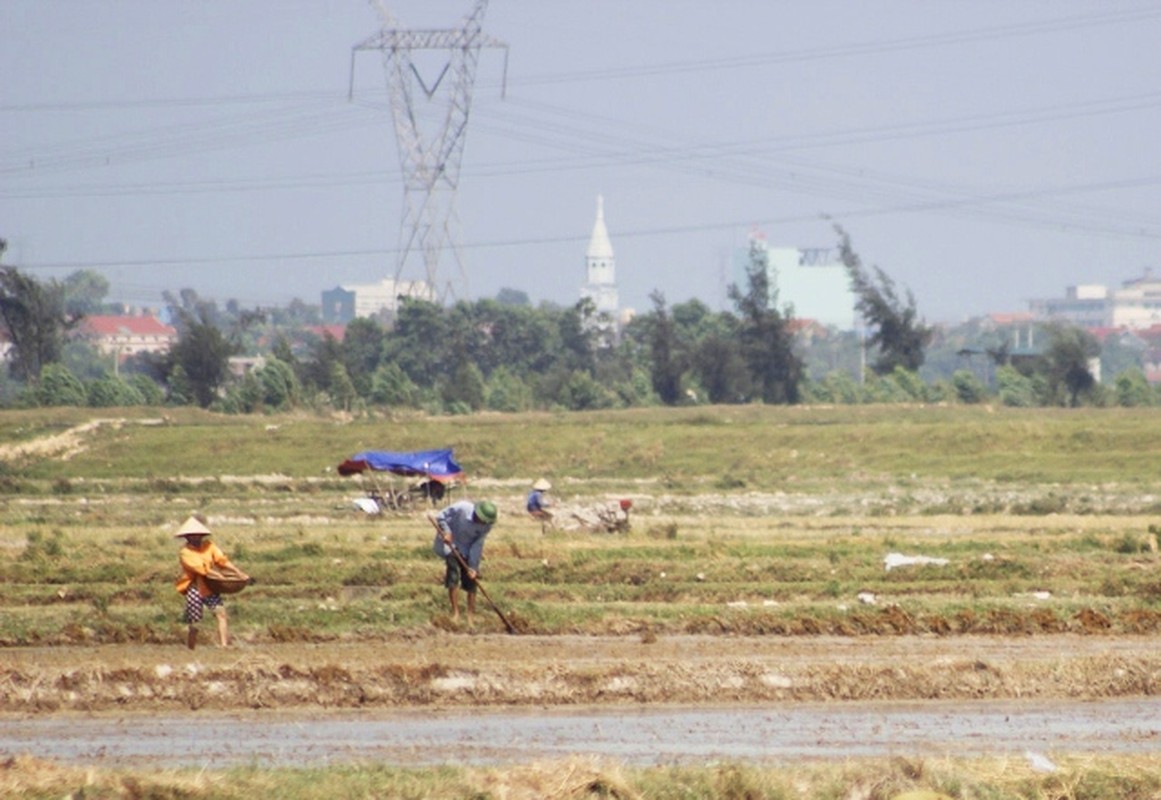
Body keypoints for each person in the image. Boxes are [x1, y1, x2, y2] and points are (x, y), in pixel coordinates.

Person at [428, 499, 497, 622]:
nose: (481, 523)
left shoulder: (486, 526)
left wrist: (473, 567)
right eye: (480, 520)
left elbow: (477, 545)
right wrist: (447, 532)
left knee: (471, 580)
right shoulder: (462, 507)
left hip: (468, 549)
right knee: (453, 575)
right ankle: (455, 613)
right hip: (451, 545)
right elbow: (441, 517)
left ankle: (470, 616)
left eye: (484, 522)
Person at [173, 515, 235, 650]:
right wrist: (220, 575)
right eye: (193, 535)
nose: (196, 538)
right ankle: (191, 647)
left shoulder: (209, 546)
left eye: (198, 535)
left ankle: (223, 645)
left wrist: (237, 572)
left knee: (221, 613)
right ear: (188, 537)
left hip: (210, 587)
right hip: (194, 588)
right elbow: (201, 569)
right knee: (195, 622)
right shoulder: (185, 552)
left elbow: (222, 561)